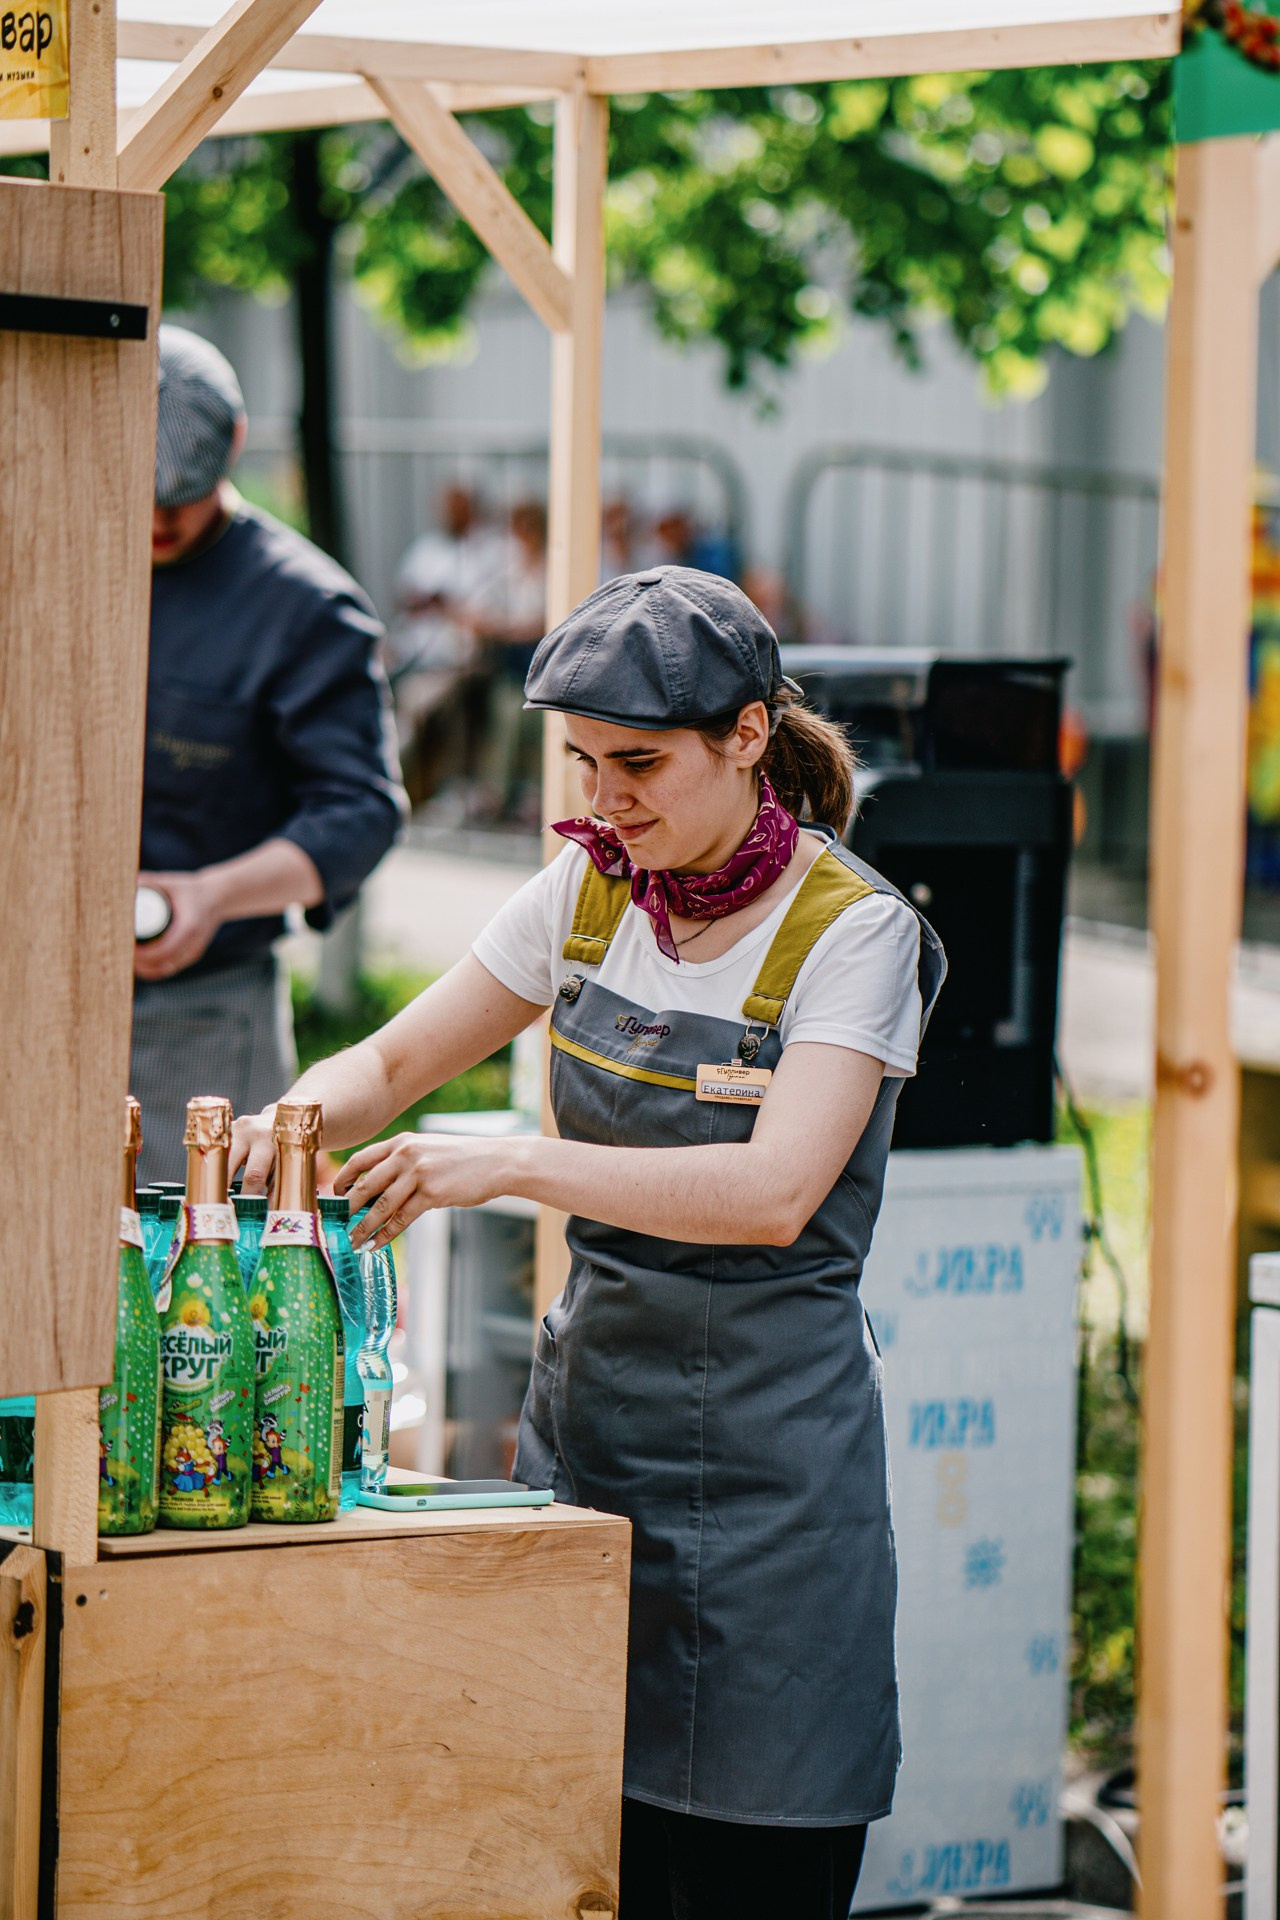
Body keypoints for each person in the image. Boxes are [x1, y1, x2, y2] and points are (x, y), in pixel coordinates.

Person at [231, 566, 945, 1920]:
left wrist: (503, 1161)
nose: (604, 800)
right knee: (562, 1857)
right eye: (582, 762)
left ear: (746, 736)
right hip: (593, 1452)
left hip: (776, 1487)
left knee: (750, 1869)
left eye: (639, 763)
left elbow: (775, 1195)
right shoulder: (586, 889)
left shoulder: (859, 934)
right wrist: (274, 1130)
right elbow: (390, 1058)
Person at [133, 326, 406, 1183]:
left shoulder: (307, 609)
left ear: (238, 444)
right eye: (137, 493)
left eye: (182, 495)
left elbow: (360, 811)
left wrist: (214, 897)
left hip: (202, 1017)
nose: (158, 517)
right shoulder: (47, 558)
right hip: (31, 990)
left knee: (192, 1287)